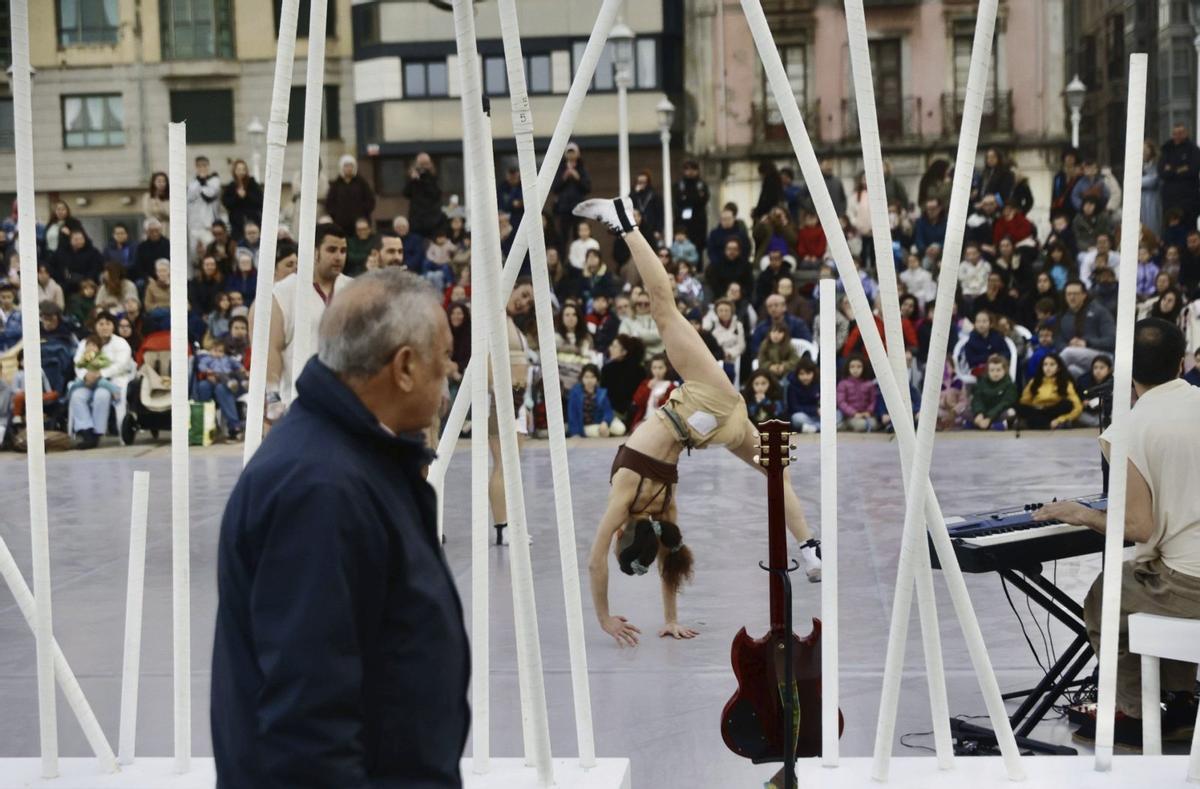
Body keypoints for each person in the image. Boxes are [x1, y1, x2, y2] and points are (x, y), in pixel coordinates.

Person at [211, 269, 468, 786]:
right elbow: (307, 719)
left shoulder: (355, 461)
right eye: (442, 362)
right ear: (403, 367)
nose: (448, 377)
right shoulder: (319, 490)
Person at [575, 195, 821, 647]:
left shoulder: (659, 509)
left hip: (711, 431)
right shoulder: (626, 491)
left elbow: (670, 558)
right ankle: (625, 220)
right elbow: (594, 561)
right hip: (707, 400)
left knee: (774, 472)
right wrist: (603, 617)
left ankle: (810, 550)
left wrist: (664, 617)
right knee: (662, 305)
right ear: (621, 538)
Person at [1036, 319, 1200, 749]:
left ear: (1126, 374)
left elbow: (1139, 528)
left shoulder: (1128, 428)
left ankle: (1134, 710)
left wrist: (1083, 514)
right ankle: (1182, 699)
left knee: (1106, 596)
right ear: (1182, 363)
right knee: (1146, 574)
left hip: (1191, 585)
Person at [257, 223, 352, 410]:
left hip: (346, 402)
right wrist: (272, 396)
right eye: (331, 250)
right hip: (299, 401)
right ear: (314, 252)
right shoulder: (283, 292)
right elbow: (272, 349)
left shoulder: (354, 290)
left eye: (343, 250)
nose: (338, 257)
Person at [486, 280, 534, 545]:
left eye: (529, 301)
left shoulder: (510, 324)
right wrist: (500, 399)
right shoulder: (495, 319)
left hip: (514, 401)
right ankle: (503, 527)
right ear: (511, 286)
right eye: (524, 294)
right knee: (504, 464)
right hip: (500, 400)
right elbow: (487, 361)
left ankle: (509, 525)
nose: (525, 302)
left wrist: (522, 404)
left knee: (511, 466)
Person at [68, 311, 134, 449]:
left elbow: (122, 364)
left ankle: (97, 433)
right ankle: (86, 432)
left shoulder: (121, 343)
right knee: (77, 396)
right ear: (95, 326)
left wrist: (100, 373)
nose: (104, 327)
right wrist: (86, 375)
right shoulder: (86, 342)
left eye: (108, 324)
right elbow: (77, 362)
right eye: (101, 324)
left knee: (101, 395)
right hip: (88, 381)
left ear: (113, 326)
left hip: (110, 381)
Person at [1058, 280, 1116, 378]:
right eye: (1069, 294)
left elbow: (1112, 340)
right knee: (1072, 370)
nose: (1072, 297)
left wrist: (1086, 343)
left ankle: (1042, 383)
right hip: (1079, 359)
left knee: (1068, 353)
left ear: (1084, 295)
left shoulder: (1100, 312)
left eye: (1075, 294)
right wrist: (1069, 344)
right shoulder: (1064, 317)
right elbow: (1058, 341)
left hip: (1104, 356)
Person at [1015, 352, 1082, 429]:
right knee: (1018, 406)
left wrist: (1060, 419)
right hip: (1038, 411)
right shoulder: (1034, 382)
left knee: (1067, 404)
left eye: (1052, 364)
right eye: (1045, 364)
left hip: (1054, 412)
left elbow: (1077, 406)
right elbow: (1025, 402)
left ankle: (1048, 424)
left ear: (1058, 367)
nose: (1048, 368)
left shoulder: (1065, 383)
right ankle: (1048, 425)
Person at [1159, 123, 1200, 231]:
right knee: (1170, 228)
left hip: (1189, 200)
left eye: (1180, 133)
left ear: (1186, 133)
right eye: (1175, 133)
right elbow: (1162, 172)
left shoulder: (1193, 150)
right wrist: (1180, 169)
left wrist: (1171, 169)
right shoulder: (1166, 149)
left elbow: (1193, 170)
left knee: (1189, 228)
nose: (1177, 136)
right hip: (1170, 200)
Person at [326, 154, 376, 237]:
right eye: (346, 166)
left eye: (351, 166)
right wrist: (337, 215)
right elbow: (330, 203)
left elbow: (370, 200)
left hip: (359, 224)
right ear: (341, 167)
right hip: (341, 224)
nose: (349, 168)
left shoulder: (361, 183)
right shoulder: (336, 184)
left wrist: (363, 213)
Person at [551, 141, 591, 244]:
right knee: (563, 237)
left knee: (578, 235)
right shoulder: (560, 168)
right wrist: (564, 177)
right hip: (564, 208)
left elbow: (587, 188)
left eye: (573, 152)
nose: (571, 154)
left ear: (578, 154)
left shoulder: (582, 168)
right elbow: (555, 188)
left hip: (578, 208)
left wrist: (577, 178)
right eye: (569, 152)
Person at [601, 334, 646, 423]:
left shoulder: (639, 370)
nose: (610, 349)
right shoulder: (607, 368)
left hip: (629, 412)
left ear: (624, 352)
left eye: (614, 347)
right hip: (611, 410)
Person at [568, 363, 621, 438]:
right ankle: (606, 432)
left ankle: (606, 430)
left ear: (597, 379)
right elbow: (572, 415)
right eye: (586, 377)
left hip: (601, 423)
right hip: (586, 426)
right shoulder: (575, 393)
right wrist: (575, 433)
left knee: (620, 429)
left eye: (592, 377)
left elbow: (608, 411)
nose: (589, 380)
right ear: (582, 378)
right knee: (600, 433)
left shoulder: (601, 392)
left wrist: (605, 422)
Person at [187, 156, 224, 258]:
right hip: (194, 225)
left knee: (210, 251)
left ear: (208, 166)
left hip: (209, 225)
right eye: (199, 166)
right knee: (194, 254)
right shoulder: (193, 182)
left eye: (204, 165)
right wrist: (200, 182)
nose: (202, 168)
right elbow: (191, 196)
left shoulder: (214, 181)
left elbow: (209, 195)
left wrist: (202, 181)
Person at [969, 353, 1018, 430]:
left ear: (1005, 370)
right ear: (987, 371)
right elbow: (977, 399)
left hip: (998, 413)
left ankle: (983, 425)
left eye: (998, 370)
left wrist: (989, 417)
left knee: (1011, 412)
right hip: (983, 412)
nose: (995, 373)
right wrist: (979, 413)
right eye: (992, 370)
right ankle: (985, 424)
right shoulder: (982, 383)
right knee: (963, 408)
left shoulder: (1010, 385)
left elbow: (1005, 403)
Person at [403, 152, 443, 238]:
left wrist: (422, 180)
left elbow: (435, 194)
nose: (423, 166)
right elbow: (406, 193)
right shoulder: (412, 177)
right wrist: (413, 180)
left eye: (426, 164)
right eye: (421, 164)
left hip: (432, 219)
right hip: (416, 218)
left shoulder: (433, 176)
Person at [674, 159, 710, 256]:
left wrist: (688, 199)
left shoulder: (701, 185)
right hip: (683, 223)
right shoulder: (679, 185)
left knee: (698, 250)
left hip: (699, 223)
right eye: (687, 169)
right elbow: (678, 200)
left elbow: (703, 200)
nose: (690, 172)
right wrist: (693, 199)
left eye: (693, 169)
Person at [221, 159, 263, 241]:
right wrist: (237, 196)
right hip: (237, 224)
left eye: (243, 169)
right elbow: (226, 203)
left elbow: (260, 201)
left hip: (253, 221)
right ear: (234, 171)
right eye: (238, 170)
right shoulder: (231, 186)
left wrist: (246, 195)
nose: (241, 172)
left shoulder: (252, 184)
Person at [836, 354, 877, 432]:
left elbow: (873, 400)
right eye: (852, 367)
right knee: (860, 425)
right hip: (850, 416)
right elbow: (841, 402)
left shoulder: (869, 384)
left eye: (859, 367)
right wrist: (854, 413)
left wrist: (868, 411)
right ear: (848, 368)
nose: (855, 370)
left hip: (866, 415)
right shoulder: (843, 384)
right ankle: (843, 424)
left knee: (873, 424)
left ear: (864, 368)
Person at [786, 355, 822, 433]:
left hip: (819, 416)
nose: (805, 377)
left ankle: (814, 428)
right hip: (804, 416)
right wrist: (815, 410)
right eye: (801, 374)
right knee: (796, 418)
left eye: (808, 373)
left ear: (813, 373)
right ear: (797, 374)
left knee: (837, 414)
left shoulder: (819, 384)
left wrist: (822, 410)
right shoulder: (792, 386)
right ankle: (819, 427)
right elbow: (794, 407)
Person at [143, 171, 171, 236]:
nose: (162, 184)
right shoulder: (148, 197)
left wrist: (160, 207)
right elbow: (148, 213)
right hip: (153, 227)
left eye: (164, 181)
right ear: (154, 182)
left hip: (167, 227)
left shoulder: (170, 197)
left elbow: (169, 214)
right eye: (159, 181)